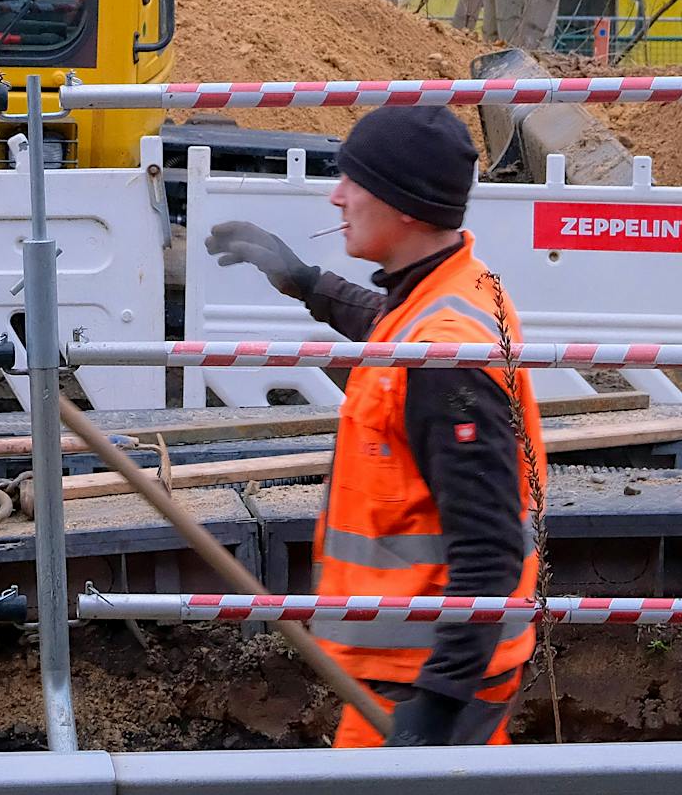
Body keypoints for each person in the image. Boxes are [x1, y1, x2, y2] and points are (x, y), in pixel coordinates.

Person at [204, 106, 546, 750]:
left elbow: (489, 547)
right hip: (424, 665)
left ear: (404, 205)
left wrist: (440, 704)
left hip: (423, 675)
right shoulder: (454, 292)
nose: (336, 196)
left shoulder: (446, 359)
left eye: (352, 181)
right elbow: (390, 326)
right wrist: (304, 281)